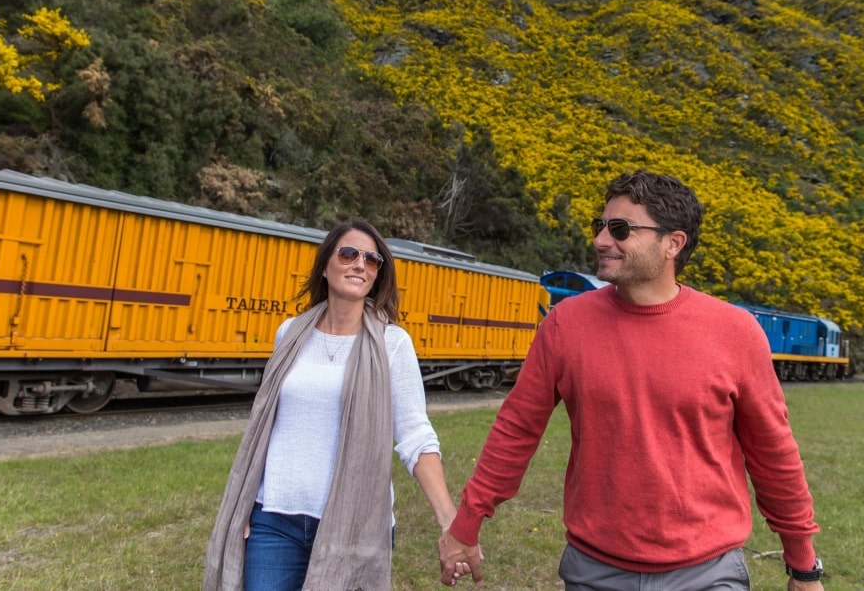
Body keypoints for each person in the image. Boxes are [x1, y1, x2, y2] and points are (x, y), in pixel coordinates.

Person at [438, 170, 826, 591]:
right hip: (594, 570)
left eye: (620, 229)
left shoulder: (736, 331)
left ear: (672, 244)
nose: (602, 240)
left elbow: (774, 453)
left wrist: (803, 566)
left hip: (708, 573)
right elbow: (516, 431)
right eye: (600, 226)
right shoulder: (566, 324)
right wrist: (466, 525)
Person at [205, 220, 470, 591]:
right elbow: (265, 426)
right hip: (273, 520)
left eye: (372, 260)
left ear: (377, 275)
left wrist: (449, 522)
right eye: (348, 254)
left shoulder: (393, 344)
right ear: (326, 265)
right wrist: (244, 505)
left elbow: (415, 436)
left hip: (354, 524)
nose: (360, 264)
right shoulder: (290, 333)